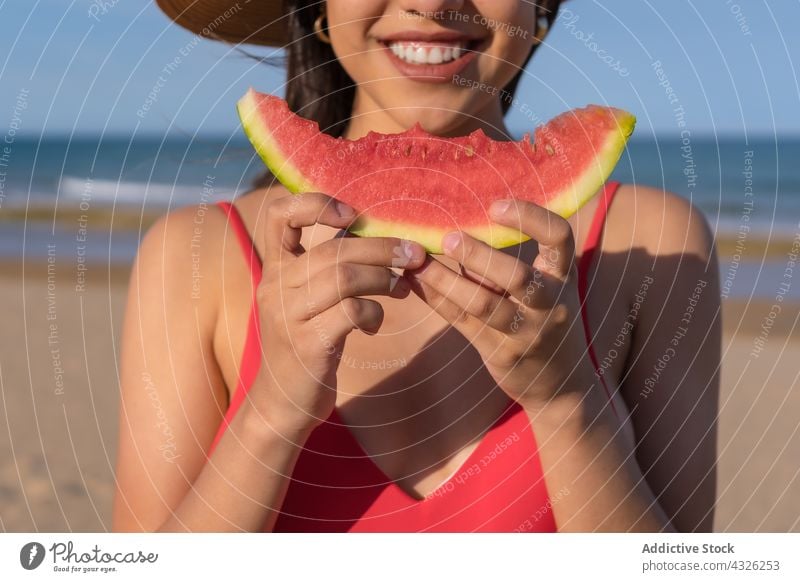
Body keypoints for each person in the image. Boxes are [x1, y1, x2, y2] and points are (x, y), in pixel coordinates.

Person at [112, 0, 720, 532]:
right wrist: (270, 413)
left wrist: (566, 405)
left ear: (539, 8)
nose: (431, 4)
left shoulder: (655, 246)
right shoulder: (192, 255)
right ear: (317, 8)